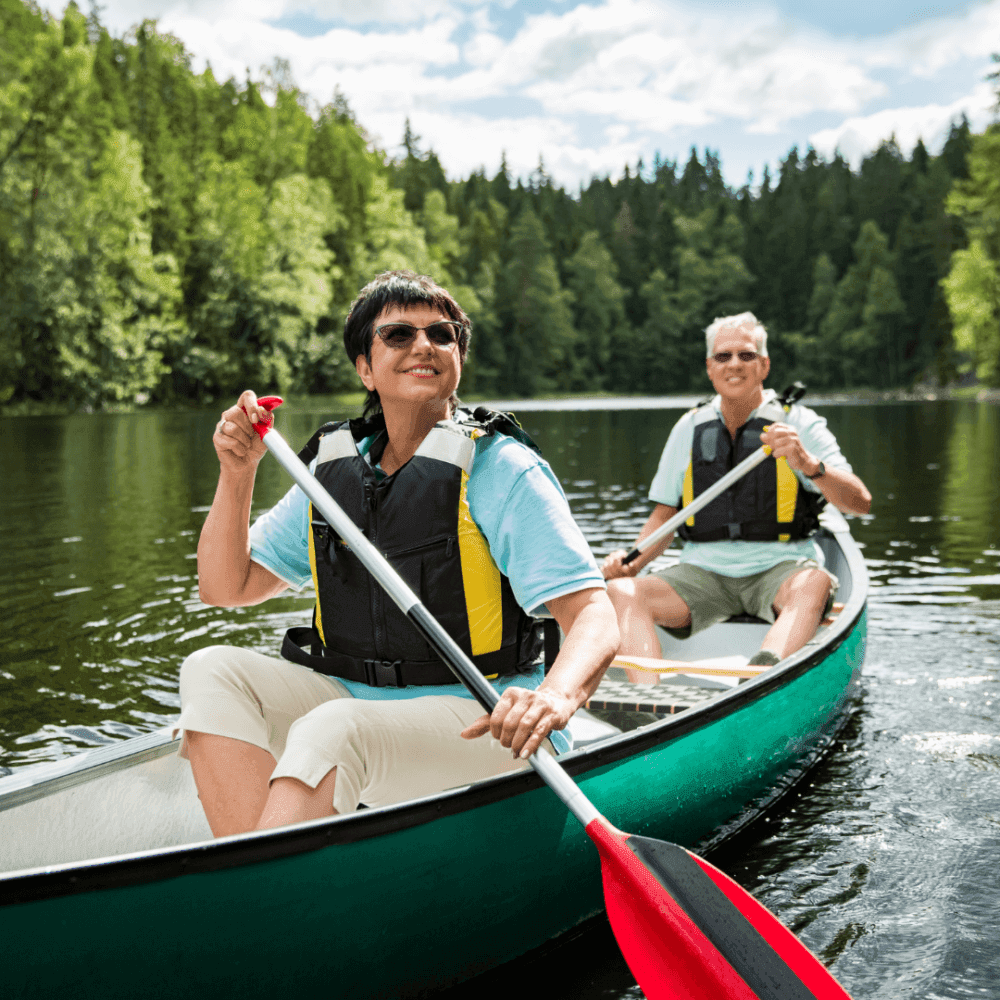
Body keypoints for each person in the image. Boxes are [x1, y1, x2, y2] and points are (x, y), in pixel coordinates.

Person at [178, 270, 619, 837]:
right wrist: (236, 474)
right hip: (357, 700)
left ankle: (263, 897)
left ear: (458, 357)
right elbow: (225, 587)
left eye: (442, 334)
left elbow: (593, 615)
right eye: (398, 335)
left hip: (483, 719)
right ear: (365, 367)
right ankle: (254, 876)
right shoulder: (330, 473)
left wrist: (554, 699)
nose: (424, 346)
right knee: (211, 671)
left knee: (333, 729)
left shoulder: (502, 469)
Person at [602, 311, 871, 680]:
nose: (734, 365)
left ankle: (759, 680)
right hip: (703, 572)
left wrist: (808, 463)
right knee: (622, 592)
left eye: (746, 355)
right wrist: (632, 563)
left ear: (764, 365)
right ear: (710, 368)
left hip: (781, 569)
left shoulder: (800, 423)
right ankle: (648, 700)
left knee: (814, 583)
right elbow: (665, 516)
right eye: (723, 356)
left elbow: (859, 503)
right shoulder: (689, 427)